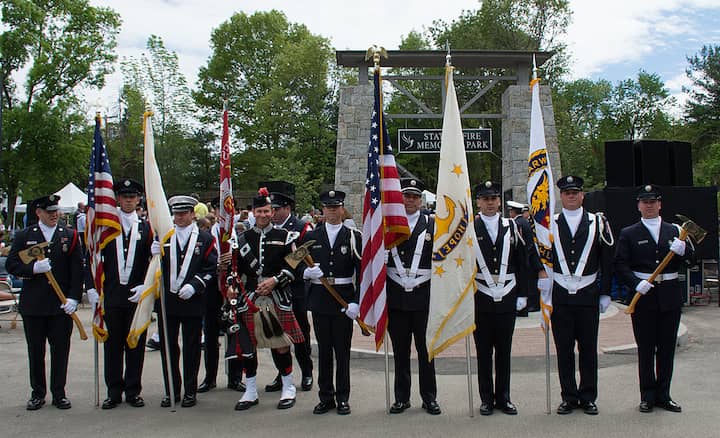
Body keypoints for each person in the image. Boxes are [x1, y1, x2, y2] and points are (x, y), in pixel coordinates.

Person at [614, 184, 695, 413]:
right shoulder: (629, 233)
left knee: (667, 348)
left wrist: (684, 251)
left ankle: (664, 395)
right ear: (639, 205)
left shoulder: (675, 231)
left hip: (669, 294)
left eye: (653, 201)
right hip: (643, 296)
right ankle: (647, 395)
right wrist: (634, 283)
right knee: (646, 348)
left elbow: (691, 261)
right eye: (644, 202)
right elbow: (620, 263)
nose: (649, 205)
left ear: (660, 204)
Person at [228, 188, 304, 411]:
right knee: (248, 348)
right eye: (259, 211)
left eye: (267, 211)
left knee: (280, 346)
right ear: (253, 212)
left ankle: (287, 387)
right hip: (249, 299)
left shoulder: (285, 237)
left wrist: (274, 280)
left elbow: (294, 266)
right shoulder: (241, 239)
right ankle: (250, 390)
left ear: (273, 212)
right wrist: (231, 286)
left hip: (276, 298)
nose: (262, 215)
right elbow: (236, 272)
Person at [6, 194, 83, 410]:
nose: (54, 215)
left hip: (61, 306)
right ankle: (38, 393)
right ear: (38, 213)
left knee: (61, 351)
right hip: (34, 306)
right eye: (49, 212)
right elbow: (12, 265)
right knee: (36, 350)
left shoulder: (69, 235)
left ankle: (59, 393)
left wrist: (74, 298)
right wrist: (32, 269)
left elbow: (78, 270)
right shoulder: (25, 236)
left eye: (55, 211)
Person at [472, 181, 539, 416]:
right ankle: (486, 399)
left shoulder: (513, 227)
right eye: (485, 198)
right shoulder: (469, 228)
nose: (489, 203)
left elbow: (524, 262)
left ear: (499, 201)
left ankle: (504, 397)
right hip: (480, 297)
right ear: (478, 202)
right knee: (483, 352)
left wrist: (524, 295)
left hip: (508, 295)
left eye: (493, 198)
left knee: (504, 351)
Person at [85, 179, 153, 409]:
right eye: (124, 196)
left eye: (132, 197)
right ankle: (113, 391)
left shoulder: (146, 228)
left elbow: (152, 263)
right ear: (117, 198)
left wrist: (146, 285)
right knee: (112, 347)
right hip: (111, 296)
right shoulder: (105, 227)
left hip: (136, 297)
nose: (128, 200)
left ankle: (133, 391)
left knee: (135, 345)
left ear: (138, 199)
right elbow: (91, 258)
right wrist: (91, 288)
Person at [550, 176, 615, 415]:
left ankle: (588, 396)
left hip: (588, 294)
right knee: (564, 349)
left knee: (588, 349)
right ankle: (568, 396)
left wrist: (606, 292)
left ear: (582, 195)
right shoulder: (551, 223)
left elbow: (608, 260)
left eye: (575, 192)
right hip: (561, 297)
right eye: (567, 193)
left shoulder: (598, 222)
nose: (571, 196)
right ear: (561, 196)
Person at [303, 190, 362, 416]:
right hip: (320, 300)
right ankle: (325, 397)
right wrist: (307, 272)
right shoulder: (312, 237)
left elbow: (362, 272)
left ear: (342, 209)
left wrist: (355, 302)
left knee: (342, 352)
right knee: (325, 352)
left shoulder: (353, 236)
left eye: (336, 207)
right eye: (328, 207)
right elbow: (296, 263)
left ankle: (343, 398)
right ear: (322, 210)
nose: (332, 211)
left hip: (343, 302)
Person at [155, 195, 217, 408]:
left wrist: (195, 285)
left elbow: (210, 268)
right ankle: (171, 389)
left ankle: (190, 390)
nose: (179, 217)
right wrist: (152, 255)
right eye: (176, 214)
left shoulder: (205, 238)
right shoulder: (164, 237)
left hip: (193, 300)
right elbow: (154, 271)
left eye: (184, 213)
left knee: (191, 347)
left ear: (192, 214)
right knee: (168, 347)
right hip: (168, 301)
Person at [385, 178, 441, 415]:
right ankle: (401, 398)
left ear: (421, 200)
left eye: (415, 197)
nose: (410, 200)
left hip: (423, 297)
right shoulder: (387, 224)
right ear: (400, 198)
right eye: (406, 196)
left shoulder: (433, 225)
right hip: (396, 297)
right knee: (400, 352)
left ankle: (429, 397)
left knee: (426, 351)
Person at [264, 187, 315, 393]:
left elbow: (304, 257)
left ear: (287, 208)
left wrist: (289, 273)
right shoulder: (268, 229)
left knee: (300, 332)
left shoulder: (301, 228)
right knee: (276, 335)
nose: (272, 213)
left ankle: (307, 372)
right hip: (274, 290)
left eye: (276, 209)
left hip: (295, 289)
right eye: (270, 209)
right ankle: (282, 373)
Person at [197, 197, 244, 394]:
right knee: (210, 335)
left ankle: (235, 378)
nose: (225, 214)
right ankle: (210, 377)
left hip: (234, 289)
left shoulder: (240, 236)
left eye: (230, 210)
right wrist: (218, 265)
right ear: (215, 211)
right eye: (221, 209)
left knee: (235, 333)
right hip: (212, 290)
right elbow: (201, 262)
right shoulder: (207, 236)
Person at [507, 200, 538, 315]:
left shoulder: (517, 224)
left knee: (526, 283)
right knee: (529, 282)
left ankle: (526, 307)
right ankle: (529, 305)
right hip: (528, 256)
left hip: (524, 256)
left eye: (510, 211)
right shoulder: (524, 222)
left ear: (513, 212)